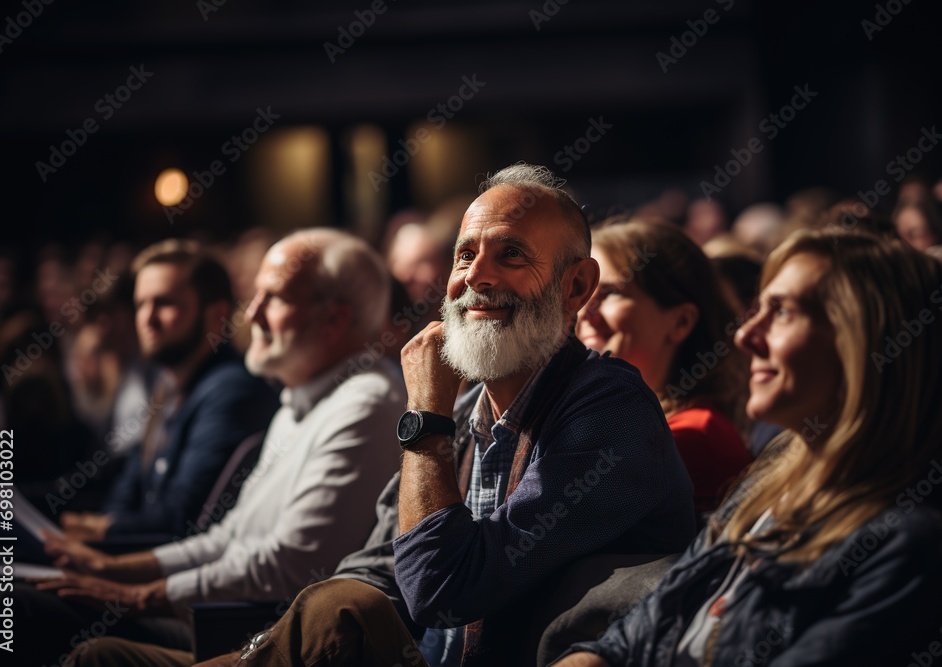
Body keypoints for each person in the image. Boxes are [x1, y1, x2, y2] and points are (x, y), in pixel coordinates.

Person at [162, 163, 695, 667]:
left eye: (510, 254)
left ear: (576, 286)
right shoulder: (468, 406)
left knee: (342, 612)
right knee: (105, 656)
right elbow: (376, 564)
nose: (476, 278)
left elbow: (446, 589)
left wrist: (425, 419)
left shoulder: (610, 408)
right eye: (465, 256)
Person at [553, 228, 942, 666]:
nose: (745, 335)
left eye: (782, 312)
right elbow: (639, 633)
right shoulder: (767, 485)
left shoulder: (912, 551)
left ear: (867, 343)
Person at [0, 229, 407, 666]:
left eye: (275, 297)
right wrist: (107, 569)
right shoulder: (299, 398)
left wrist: (134, 595)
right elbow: (229, 536)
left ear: (336, 320)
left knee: (30, 615)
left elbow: (287, 567)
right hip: (233, 618)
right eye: (256, 296)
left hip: (264, 637)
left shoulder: (368, 401)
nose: (252, 312)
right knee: (16, 599)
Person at [58, 240, 279, 540]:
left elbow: (183, 518)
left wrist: (102, 530)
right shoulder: (167, 384)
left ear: (217, 315)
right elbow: (130, 486)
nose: (147, 319)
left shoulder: (232, 390)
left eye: (164, 303)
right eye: (140, 305)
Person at [577, 218, 752, 516]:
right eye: (582, 292)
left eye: (610, 293)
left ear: (680, 322)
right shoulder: (636, 426)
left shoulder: (695, 435)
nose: (584, 312)